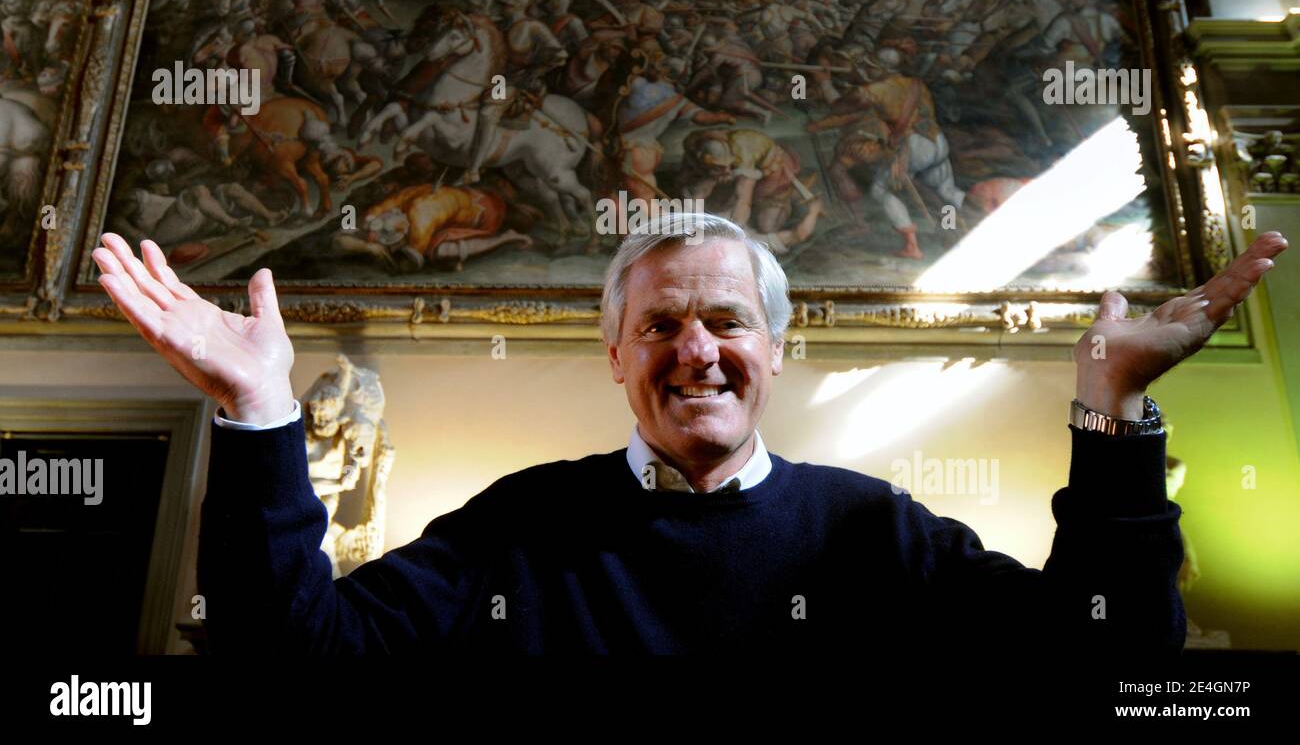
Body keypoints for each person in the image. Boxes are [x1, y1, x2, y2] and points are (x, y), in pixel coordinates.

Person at [91, 216, 1289, 654]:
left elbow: (1110, 655)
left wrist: (1113, 411)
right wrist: (258, 414)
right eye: (659, 324)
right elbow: (287, 660)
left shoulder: (868, 528)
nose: (696, 349)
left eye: (726, 321)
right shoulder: (521, 525)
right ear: (615, 356)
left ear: (777, 349)